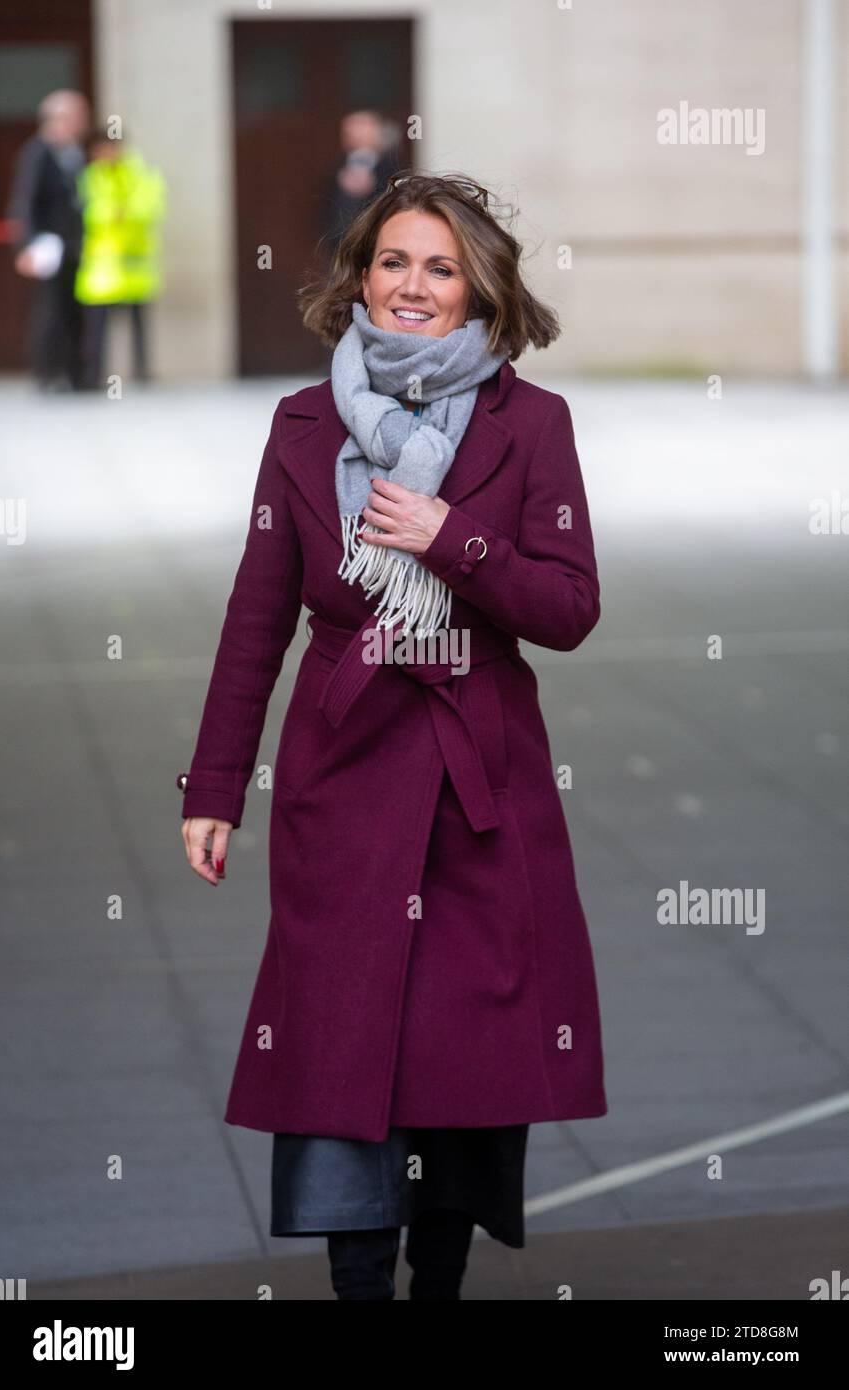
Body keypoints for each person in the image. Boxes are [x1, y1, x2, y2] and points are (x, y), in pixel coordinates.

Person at [178, 172, 608, 1300]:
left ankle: (438, 1282)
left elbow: (566, 608)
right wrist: (213, 784)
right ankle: (359, 1283)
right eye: (392, 263)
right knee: (338, 1045)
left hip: (482, 787)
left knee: (461, 1062)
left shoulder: (533, 422)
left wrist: (450, 540)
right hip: (343, 781)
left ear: (479, 292)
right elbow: (256, 617)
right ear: (359, 276)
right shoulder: (303, 423)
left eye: (439, 267)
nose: (411, 287)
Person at [8, 89, 90, 391]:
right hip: (48, 246)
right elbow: (25, 202)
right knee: (50, 310)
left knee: (73, 309)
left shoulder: (73, 152)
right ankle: (48, 374)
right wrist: (26, 245)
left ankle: (74, 373)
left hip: (73, 245)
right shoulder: (38, 152)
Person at [74, 130, 167, 388]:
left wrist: (124, 212)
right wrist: (113, 212)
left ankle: (142, 372)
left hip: (134, 265)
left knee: (138, 324)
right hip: (101, 267)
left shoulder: (140, 173)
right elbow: (86, 210)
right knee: (97, 329)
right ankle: (94, 375)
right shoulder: (91, 176)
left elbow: (152, 206)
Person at [324, 110, 402, 255]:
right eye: (350, 130)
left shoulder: (392, 168)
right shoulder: (336, 169)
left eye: (363, 128)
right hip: (341, 247)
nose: (356, 135)